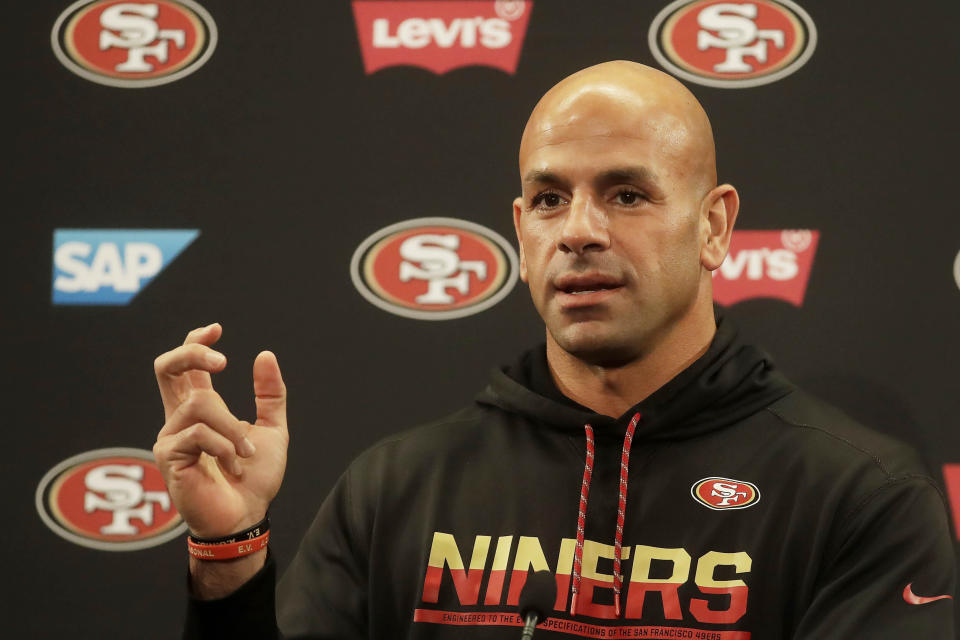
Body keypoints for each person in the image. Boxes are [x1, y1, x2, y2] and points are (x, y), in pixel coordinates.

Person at [153, 61, 956, 639]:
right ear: (520, 230)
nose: (577, 230)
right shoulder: (394, 490)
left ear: (714, 226)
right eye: (548, 199)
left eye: (627, 194)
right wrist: (228, 555)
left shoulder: (861, 498)